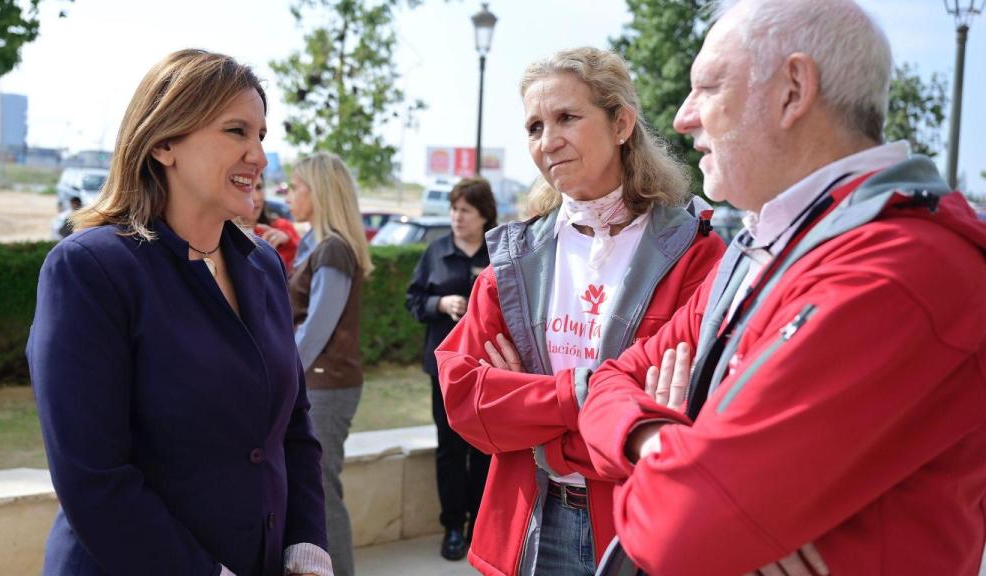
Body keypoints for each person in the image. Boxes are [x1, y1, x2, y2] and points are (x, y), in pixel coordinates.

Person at [577, 1, 986, 574]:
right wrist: (657, 436)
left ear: (793, 90)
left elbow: (677, 529)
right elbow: (609, 381)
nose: (682, 117)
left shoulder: (901, 271)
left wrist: (669, 464)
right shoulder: (763, 249)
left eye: (709, 87)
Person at [27, 49, 331, 576]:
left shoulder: (262, 266)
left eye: (261, 135)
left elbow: (292, 426)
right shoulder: (88, 270)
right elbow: (93, 475)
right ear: (165, 141)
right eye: (236, 131)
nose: (258, 156)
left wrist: (307, 547)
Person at [434, 47, 726, 576]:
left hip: (640, 530)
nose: (548, 142)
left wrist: (529, 411)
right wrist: (592, 397)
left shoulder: (695, 254)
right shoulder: (512, 259)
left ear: (621, 123)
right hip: (526, 528)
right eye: (534, 126)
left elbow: (693, 415)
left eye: (567, 117)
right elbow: (464, 400)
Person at [285, 151, 374, 576]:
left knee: (321, 489)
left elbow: (313, 332)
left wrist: (280, 378)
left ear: (318, 192)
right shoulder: (315, 245)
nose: (288, 194)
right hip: (315, 383)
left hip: (326, 385)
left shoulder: (334, 250)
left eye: (296, 186)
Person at [405, 177, 496, 561]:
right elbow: (414, 300)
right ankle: (453, 527)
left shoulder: (498, 251)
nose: (457, 217)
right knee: (449, 449)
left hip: (489, 371)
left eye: (465, 211)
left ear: (483, 216)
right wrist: (440, 305)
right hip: (443, 369)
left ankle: (482, 524)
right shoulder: (436, 251)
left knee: (485, 451)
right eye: (454, 210)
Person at [245, 175, 300, 273]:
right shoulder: (221, 238)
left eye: (259, 187)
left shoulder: (283, 227)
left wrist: (289, 245)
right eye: (247, 188)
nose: (256, 197)